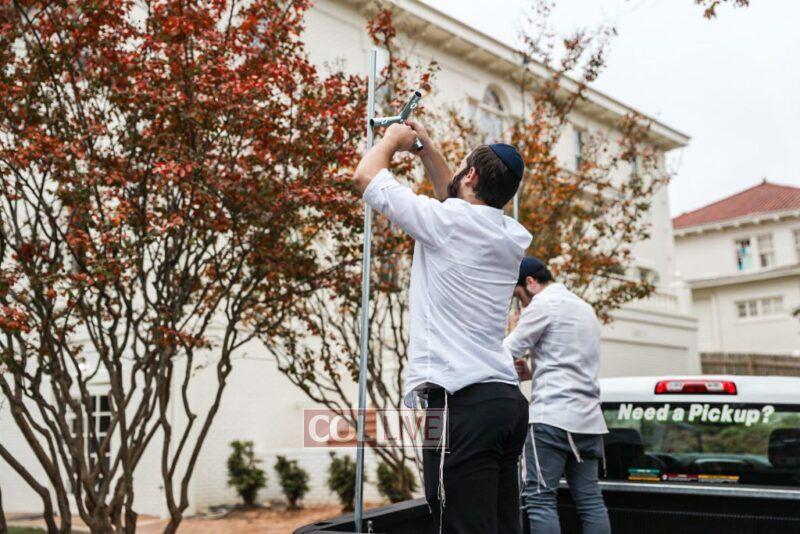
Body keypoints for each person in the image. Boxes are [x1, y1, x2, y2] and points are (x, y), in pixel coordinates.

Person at [353, 121, 531, 533]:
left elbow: (365, 176)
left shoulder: (447, 223)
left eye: (463, 168)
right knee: (502, 526)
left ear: (470, 176)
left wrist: (392, 140)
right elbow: (454, 195)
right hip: (504, 402)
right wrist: (424, 148)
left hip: (458, 404)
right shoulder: (508, 237)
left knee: (456, 523)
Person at [504, 256, 611, 534]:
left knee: (540, 499)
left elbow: (506, 351)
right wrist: (531, 373)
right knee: (590, 500)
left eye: (519, 296)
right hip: (589, 421)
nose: (521, 304)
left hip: (552, 419)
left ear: (530, 282)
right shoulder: (585, 308)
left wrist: (513, 327)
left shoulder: (543, 304)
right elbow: (570, 361)